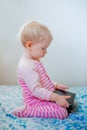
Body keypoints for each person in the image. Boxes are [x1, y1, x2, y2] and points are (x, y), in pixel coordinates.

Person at [11, 21, 70, 119]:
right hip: (35, 100)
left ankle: (55, 100)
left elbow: (42, 80)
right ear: (29, 45)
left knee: (68, 102)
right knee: (61, 112)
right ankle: (27, 110)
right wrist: (55, 97)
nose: (46, 52)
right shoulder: (26, 66)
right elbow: (36, 90)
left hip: (43, 95)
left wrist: (54, 85)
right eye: (43, 48)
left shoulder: (34, 61)